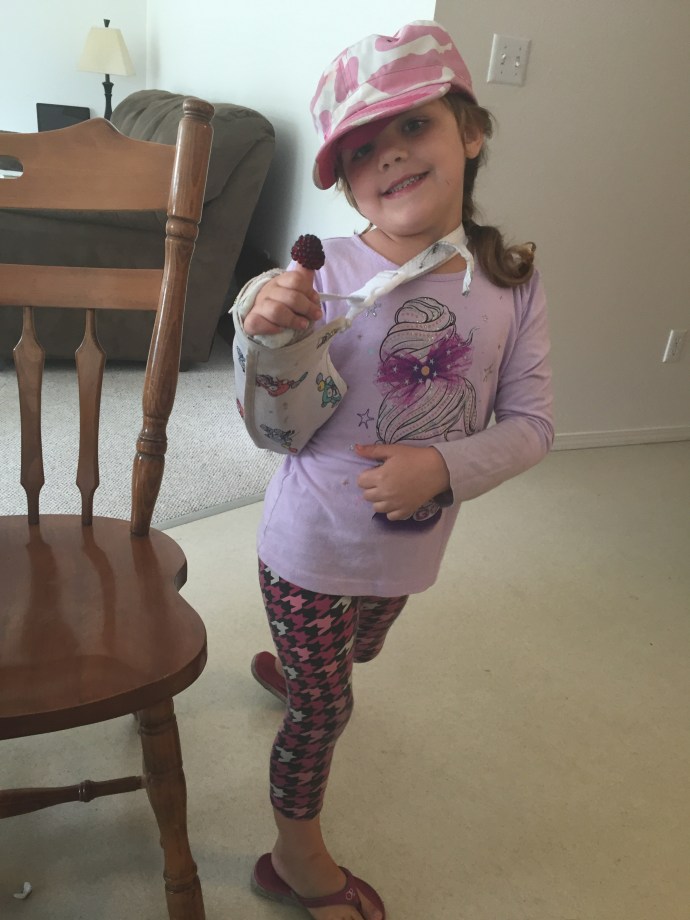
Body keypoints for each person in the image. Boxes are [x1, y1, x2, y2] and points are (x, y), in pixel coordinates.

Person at [233, 19, 554, 920]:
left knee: (360, 650)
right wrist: (261, 327)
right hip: (307, 548)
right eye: (362, 147)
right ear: (344, 179)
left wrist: (441, 466)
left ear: (471, 131)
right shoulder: (318, 273)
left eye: (414, 126)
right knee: (326, 714)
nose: (392, 155)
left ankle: (307, 671)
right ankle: (294, 858)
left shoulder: (513, 281)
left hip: (410, 546)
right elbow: (269, 420)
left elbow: (533, 425)